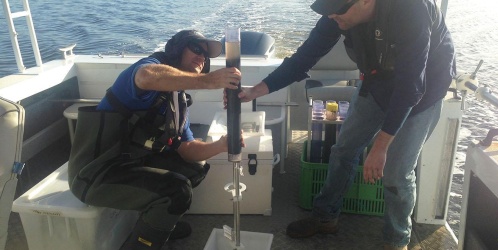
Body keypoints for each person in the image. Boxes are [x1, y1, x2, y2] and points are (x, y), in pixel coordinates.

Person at [232, 0, 455, 249]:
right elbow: (304, 57)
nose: (332, 16)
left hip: (422, 94)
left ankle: (397, 240)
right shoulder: (337, 14)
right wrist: (256, 90)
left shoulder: (411, 9)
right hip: (376, 84)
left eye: (338, 10)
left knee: (397, 173)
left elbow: (411, 86)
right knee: (343, 151)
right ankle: (325, 217)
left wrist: (381, 146)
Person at [68, 30, 243, 250]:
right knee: (176, 191)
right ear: (178, 48)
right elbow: (146, 76)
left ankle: (158, 221)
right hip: (94, 174)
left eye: (206, 56)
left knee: (195, 168)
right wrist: (209, 81)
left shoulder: (177, 99)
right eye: (196, 49)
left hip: (129, 163)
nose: (202, 57)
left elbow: (187, 149)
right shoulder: (149, 68)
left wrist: (222, 145)